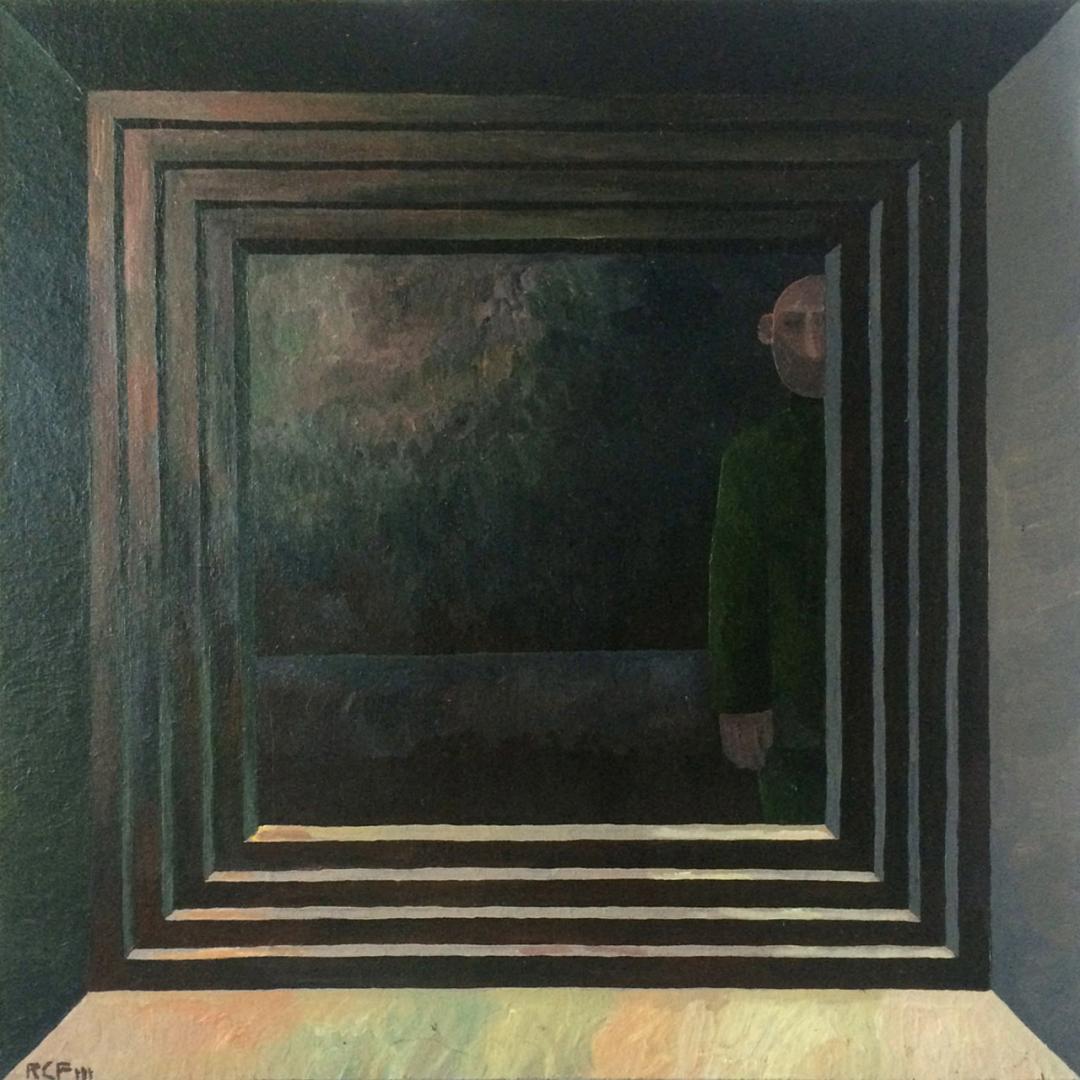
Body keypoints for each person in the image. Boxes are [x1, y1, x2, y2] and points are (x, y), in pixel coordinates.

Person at [708, 275, 827, 823]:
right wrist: (740, 699)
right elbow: (736, 587)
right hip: (791, 712)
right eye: (795, 325)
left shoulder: (904, 438)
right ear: (767, 332)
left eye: (827, 324)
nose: (813, 345)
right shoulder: (753, 457)